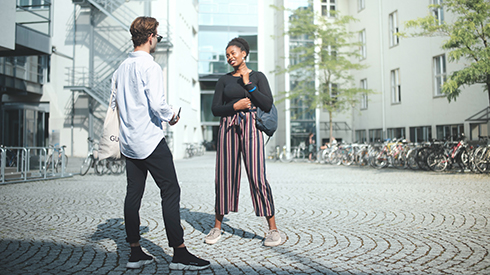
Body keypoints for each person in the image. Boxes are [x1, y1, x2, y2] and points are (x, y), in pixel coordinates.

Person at [111, 16, 209, 270]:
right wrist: (173, 114)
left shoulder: (120, 69)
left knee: (133, 193)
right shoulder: (151, 67)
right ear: (151, 35)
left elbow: (114, 105)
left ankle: (135, 252)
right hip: (150, 139)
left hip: (129, 141)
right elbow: (157, 104)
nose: (157, 41)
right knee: (171, 191)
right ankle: (179, 252)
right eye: (158, 37)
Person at [205, 37, 281, 247]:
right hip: (228, 128)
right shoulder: (224, 80)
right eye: (227, 54)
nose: (230, 57)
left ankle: (273, 229)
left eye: (233, 53)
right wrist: (234, 107)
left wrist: (249, 85)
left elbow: (267, 103)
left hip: (252, 128)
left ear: (244, 53)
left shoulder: (258, 76)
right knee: (224, 176)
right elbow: (215, 109)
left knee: (257, 177)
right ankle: (217, 227)